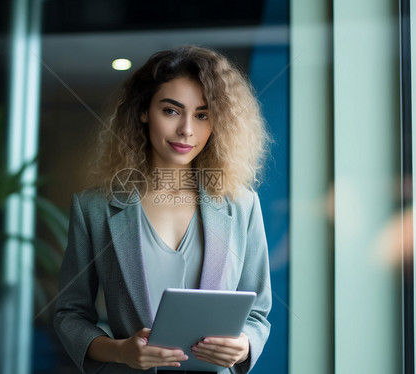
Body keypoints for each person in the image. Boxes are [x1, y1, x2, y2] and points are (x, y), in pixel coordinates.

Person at [54, 45, 272, 374]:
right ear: (143, 111)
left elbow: (257, 312)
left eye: (202, 114)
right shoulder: (94, 208)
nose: (187, 129)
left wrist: (243, 346)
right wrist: (119, 351)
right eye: (171, 111)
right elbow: (69, 314)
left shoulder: (242, 205)